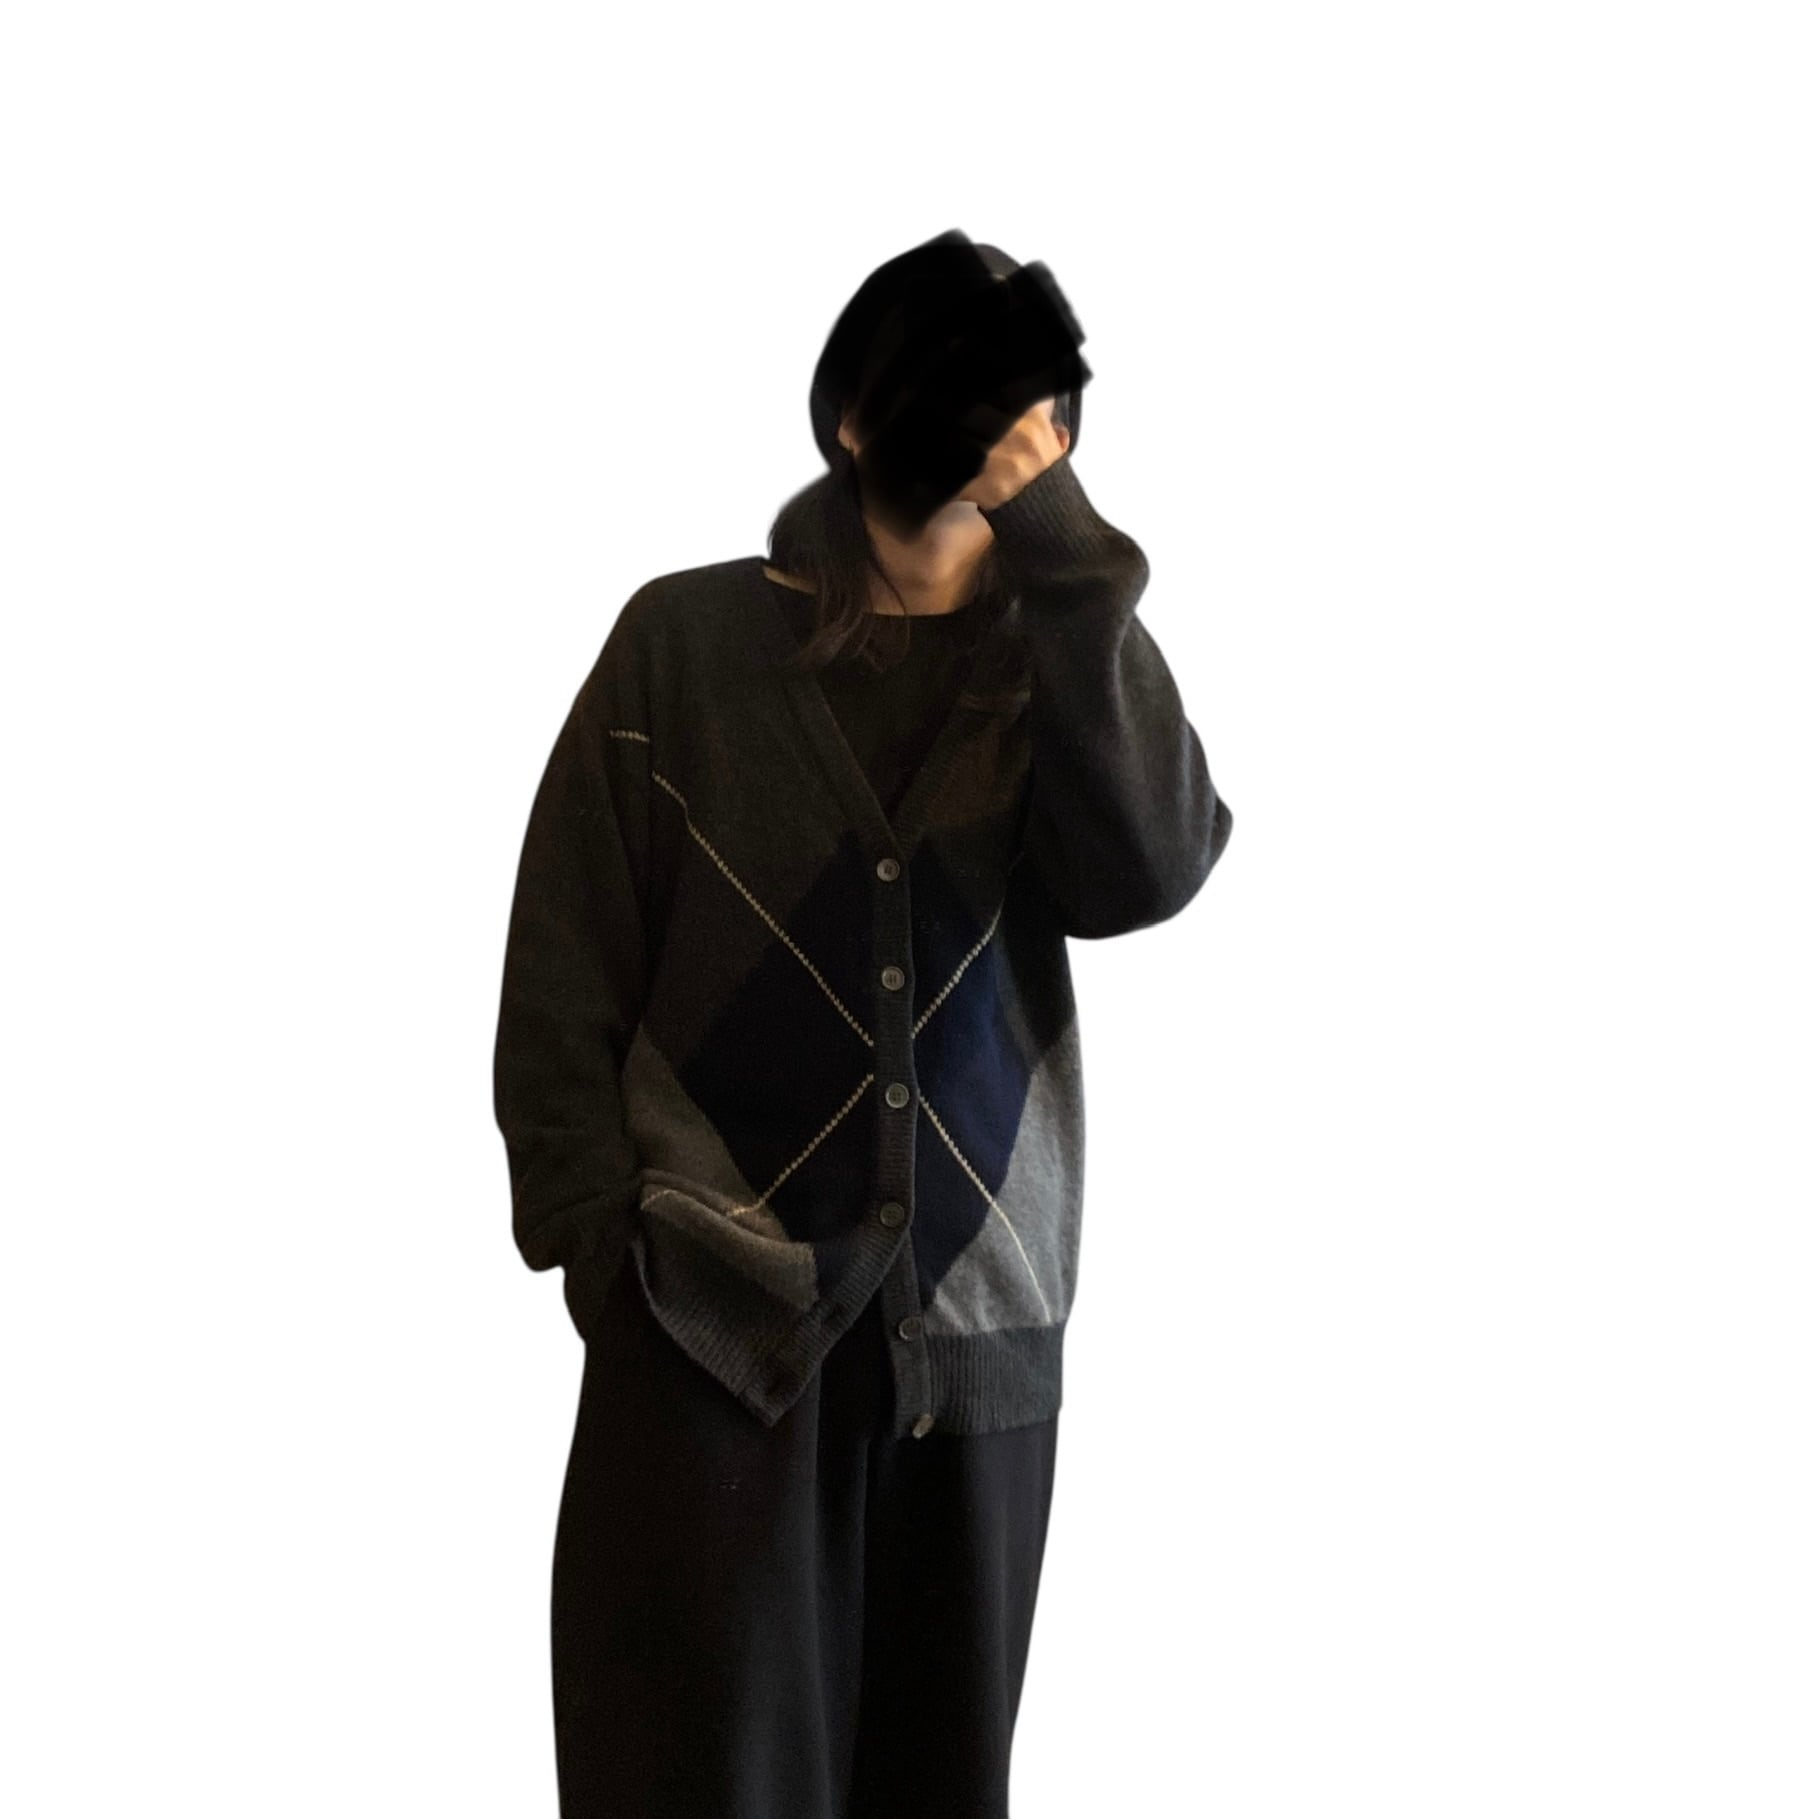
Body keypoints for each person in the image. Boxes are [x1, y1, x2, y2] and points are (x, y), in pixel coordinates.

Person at [492, 234, 1234, 1817]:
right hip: (704, 1330)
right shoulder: (684, 647)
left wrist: (1063, 544)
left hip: (974, 1351)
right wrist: (600, 1258)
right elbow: (563, 967)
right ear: (852, 421)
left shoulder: (1060, 670)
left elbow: (1152, 867)